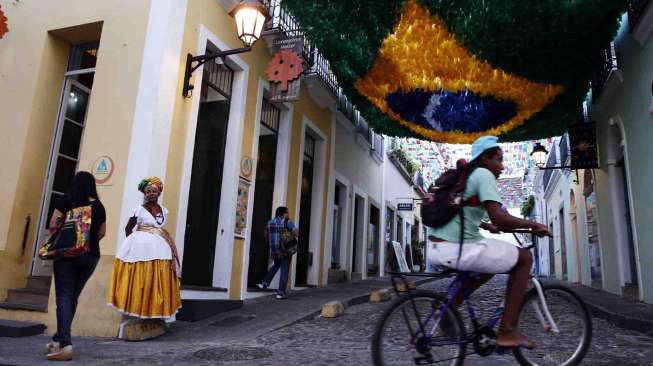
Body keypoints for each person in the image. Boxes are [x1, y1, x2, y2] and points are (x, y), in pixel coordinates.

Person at [427, 136, 550, 349]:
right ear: (485, 158)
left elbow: (465, 208)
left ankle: (447, 309)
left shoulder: (469, 175)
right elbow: (499, 217)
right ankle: (507, 331)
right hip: (457, 247)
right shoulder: (483, 174)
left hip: (439, 246)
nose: (503, 166)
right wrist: (534, 225)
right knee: (524, 258)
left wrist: (486, 225)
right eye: (499, 160)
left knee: (488, 267)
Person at [46, 171, 106, 361]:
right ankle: (57, 339)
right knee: (72, 297)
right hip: (91, 256)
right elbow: (102, 232)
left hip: (67, 255)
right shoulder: (99, 206)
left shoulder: (65, 200)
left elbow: (53, 225)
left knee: (64, 296)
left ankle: (65, 345)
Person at [107, 177, 181, 331]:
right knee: (142, 279)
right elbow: (129, 228)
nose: (151, 194)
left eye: (154, 191)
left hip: (161, 247)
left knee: (159, 279)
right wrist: (134, 244)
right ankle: (139, 311)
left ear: (159, 192)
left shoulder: (164, 210)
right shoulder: (138, 210)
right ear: (144, 193)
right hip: (142, 249)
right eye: (148, 191)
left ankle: (156, 313)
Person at [257, 206, 298, 300]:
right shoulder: (287, 221)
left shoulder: (270, 222)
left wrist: (273, 245)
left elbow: (266, 236)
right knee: (285, 270)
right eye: (287, 212)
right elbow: (296, 232)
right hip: (285, 250)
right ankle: (280, 293)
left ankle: (264, 283)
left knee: (275, 266)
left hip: (275, 250)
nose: (288, 214)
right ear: (284, 213)